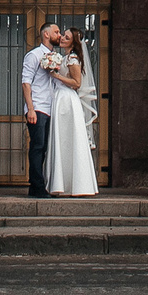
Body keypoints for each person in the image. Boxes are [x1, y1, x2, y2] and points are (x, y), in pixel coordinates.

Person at [44, 24, 99, 197]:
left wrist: (57, 75)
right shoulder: (64, 57)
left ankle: (76, 184)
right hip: (61, 99)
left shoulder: (73, 58)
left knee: (69, 139)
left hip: (68, 100)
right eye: (62, 36)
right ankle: (62, 183)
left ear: (73, 43)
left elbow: (77, 83)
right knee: (63, 140)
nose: (62, 38)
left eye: (66, 37)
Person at [20, 22, 63, 199]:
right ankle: (36, 186)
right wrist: (30, 109)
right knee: (37, 147)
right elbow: (26, 82)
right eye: (56, 32)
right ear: (46, 34)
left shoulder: (55, 56)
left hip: (50, 107)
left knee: (44, 147)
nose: (59, 35)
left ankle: (40, 185)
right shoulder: (34, 56)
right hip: (37, 107)